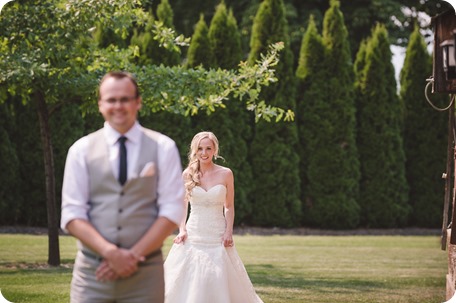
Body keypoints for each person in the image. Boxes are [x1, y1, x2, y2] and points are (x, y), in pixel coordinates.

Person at [60, 71, 185, 303]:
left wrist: (132, 256)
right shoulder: (81, 150)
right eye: (111, 100)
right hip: (92, 276)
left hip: (145, 277)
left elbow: (171, 211)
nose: (118, 106)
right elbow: (72, 214)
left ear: (138, 102)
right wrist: (111, 254)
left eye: (125, 99)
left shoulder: (163, 148)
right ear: (100, 104)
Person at [164, 131, 263, 303]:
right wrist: (182, 230)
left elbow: (229, 206)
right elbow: (182, 205)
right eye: (200, 148)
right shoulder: (188, 174)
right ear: (195, 150)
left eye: (208, 148)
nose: (204, 153)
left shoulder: (226, 174)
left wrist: (228, 232)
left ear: (215, 150)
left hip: (217, 233)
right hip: (194, 233)